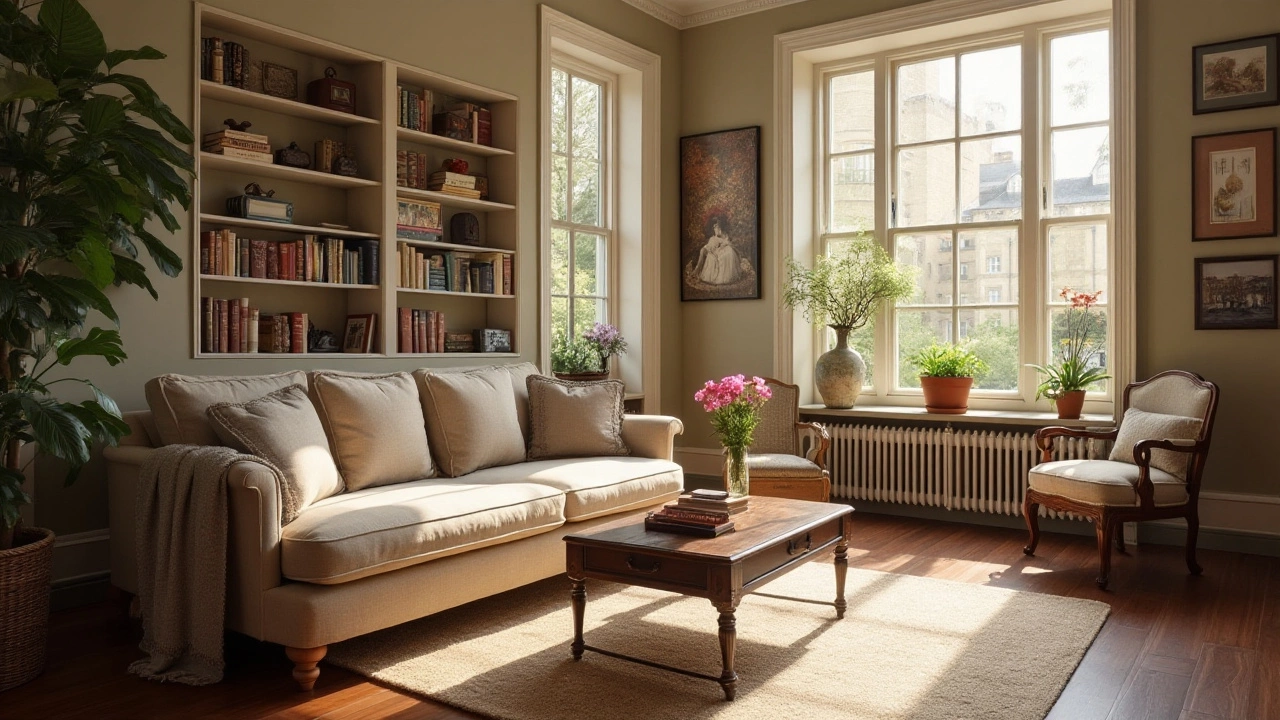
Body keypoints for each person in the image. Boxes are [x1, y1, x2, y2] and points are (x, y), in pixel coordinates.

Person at [693, 215, 741, 285]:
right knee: (703, 251)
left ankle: (698, 270)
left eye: (717, 227)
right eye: (715, 227)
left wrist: (721, 245)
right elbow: (711, 246)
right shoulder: (713, 238)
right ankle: (697, 269)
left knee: (727, 253)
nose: (715, 228)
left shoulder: (724, 235)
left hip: (721, 250)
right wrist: (710, 248)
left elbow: (726, 242)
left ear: (720, 227)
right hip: (714, 249)